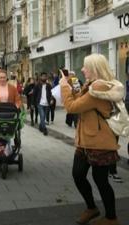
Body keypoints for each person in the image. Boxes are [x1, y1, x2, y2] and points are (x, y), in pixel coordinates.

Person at [60, 54, 121, 225]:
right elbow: (79, 101)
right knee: (78, 174)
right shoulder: (91, 85)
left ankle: (111, 218)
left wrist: (64, 86)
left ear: (94, 69)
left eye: (85, 67)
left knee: (101, 181)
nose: (82, 69)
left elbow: (72, 107)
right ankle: (92, 208)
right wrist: (72, 87)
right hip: (86, 140)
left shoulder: (99, 88)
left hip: (99, 142)